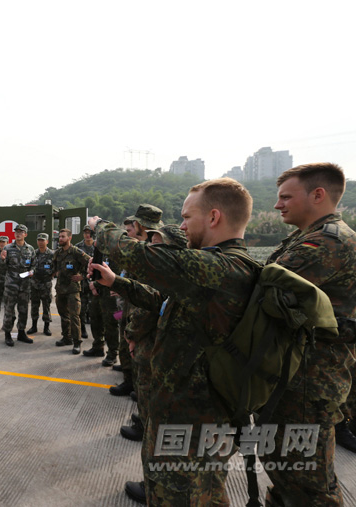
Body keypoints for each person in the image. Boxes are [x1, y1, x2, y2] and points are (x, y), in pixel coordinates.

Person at [91, 178, 256, 504]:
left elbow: (141, 258)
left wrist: (101, 227)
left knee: (189, 495)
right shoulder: (214, 264)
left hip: (195, 419)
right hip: (180, 408)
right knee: (182, 490)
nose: (181, 225)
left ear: (213, 217)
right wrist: (117, 282)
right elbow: (161, 301)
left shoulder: (220, 267)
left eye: (186, 217)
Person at [260, 163, 356, 506]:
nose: (277, 205)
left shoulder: (329, 242)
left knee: (308, 483)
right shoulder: (311, 236)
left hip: (310, 379)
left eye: (286, 197)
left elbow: (260, 290)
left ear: (318, 195)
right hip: (298, 373)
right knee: (286, 470)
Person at [92, 224, 187, 504]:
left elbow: (150, 308)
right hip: (155, 350)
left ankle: (156, 488)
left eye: (158, 244)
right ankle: (155, 483)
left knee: (159, 426)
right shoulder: (172, 276)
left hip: (157, 352)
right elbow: (151, 299)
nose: (151, 249)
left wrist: (132, 335)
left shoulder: (177, 275)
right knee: (152, 416)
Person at [110, 204, 163, 397]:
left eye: (131, 227)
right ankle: (130, 381)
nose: (128, 232)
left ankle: (137, 391)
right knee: (128, 346)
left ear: (140, 225)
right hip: (131, 305)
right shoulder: (144, 248)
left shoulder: (151, 250)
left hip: (142, 311)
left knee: (139, 352)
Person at [52, 228, 91, 354]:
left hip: (73, 289)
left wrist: (83, 276)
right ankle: (66, 337)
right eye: (60, 237)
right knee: (64, 315)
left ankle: (77, 342)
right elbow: (53, 267)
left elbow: (91, 263)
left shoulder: (76, 252)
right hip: (60, 289)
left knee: (75, 316)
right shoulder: (57, 253)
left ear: (70, 238)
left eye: (63, 236)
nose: (60, 239)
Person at [0, 224, 36, 346]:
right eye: (16, 232)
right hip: (11, 285)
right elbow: (2, 267)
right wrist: (3, 259)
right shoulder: (8, 248)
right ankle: (7, 334)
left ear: (25, 234)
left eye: (21, 232)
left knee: (23, 310)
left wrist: (32, 271)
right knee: (9, 310)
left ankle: (21, 333)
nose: (18, 234)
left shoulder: (30, 249)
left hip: (25, 285)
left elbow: (33, 264)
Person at [27, 232, 54, 336]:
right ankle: (34, 326)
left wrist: (51, 274)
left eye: (43, 240)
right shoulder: (33, 253)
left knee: (46, 306)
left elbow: (55, 267)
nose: (41, 242)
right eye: (39, 240)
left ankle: (46, 327)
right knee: (34, 306)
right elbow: (29, 266)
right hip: (34, 284)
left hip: (46, 285)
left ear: (47, 241)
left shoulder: (52, 254)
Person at [75, 225, 96, 338]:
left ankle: (96, 332)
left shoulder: (98, 247)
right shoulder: (78, 247)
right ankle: (82, 328)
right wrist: (82, 276)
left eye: (90, 233)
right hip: (82, 283)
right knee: (82, 308)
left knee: (94, 309)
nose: (88, 235)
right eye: (85, 233)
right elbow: (74, 265)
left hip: (96, 283)